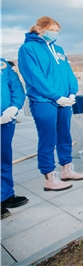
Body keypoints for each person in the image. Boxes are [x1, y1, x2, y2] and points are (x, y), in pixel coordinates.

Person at [18, 16, 83, 192]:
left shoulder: (58, 49)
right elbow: (34, 76)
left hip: (64, 101)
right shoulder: (28, 49)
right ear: (40, 29)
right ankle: (49, 177)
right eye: (52, 29)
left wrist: (72, 91)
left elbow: (68, 72)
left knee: (65, 136)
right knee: (48, 138)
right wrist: (55, 96)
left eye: (57, 31)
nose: (54, 33)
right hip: (44, 100)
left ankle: (67, 169)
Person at [1, 58, 28, 219]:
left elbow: (16, 87)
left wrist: (13, 107)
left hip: (5, 119)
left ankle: (5, 195)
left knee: (4, 157)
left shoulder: (2, 64)